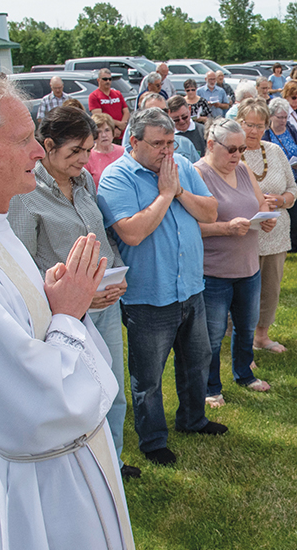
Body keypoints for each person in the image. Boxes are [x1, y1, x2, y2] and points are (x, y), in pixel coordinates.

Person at [0, 73, 134, 548]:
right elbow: (31, 405)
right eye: (23, 139)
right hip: (50, 483)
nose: (39, 151)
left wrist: (46, 300)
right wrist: (69, 315)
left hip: (67, 463)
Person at [7, 106, 136, 480]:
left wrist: (113, 274)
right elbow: (24, 265)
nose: (85, 158)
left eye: (88, 149)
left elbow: (100, 236)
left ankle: (113, 461)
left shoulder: (85, 184)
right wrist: (73, 297)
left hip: (105, 305)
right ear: (47, 146)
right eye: (75, 151)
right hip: (64, 316)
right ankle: (86, 469)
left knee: (111, 386)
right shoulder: (26, 194)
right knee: (77, 394)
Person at [98, 107, 225, 468]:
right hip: (148, 296)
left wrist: (178, 189)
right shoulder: (116, 177)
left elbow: (210, 212)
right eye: (157, 144)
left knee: (198, 360)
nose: (166, 151)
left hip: (190, 287)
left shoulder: (181, 166)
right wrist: (166, 195)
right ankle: (153, 440)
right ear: (133, 141)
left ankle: (193, 419)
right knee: (149, 377)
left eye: (170, 143)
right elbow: (133, 233)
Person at [194, 116, 277, 406]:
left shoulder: (242, 169)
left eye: (241, 149)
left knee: (246, 325)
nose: (237, 155)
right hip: (214, 271)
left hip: (248, 267)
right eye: (231, 149)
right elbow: (188, 228)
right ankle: (210, 387)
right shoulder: (198, 174)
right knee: (212, 334)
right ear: (210, 144)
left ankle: (244, 373)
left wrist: (265, 218)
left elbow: (261, 203)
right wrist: (225, 228)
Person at [232, 100, 297, 356]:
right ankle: (242, 341)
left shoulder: (275, 151)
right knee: (244, 291)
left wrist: (281, 200)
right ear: (239, 122)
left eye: (260, 126)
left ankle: (262, 336)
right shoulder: (232, 154)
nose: (254, 131)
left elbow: (293, 188)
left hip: (277, 233)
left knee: (271, 286)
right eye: (249, 125)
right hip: (245, 235)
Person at [263, 98, 297, 252]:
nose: (283, 120)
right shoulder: (266, 134)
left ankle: (293, 245)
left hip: (294, 177)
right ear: (271, 116)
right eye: (279, 117)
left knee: (296, 214)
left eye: (285, 117)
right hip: (275, 180)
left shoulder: (291, 129)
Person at [84, 113, 125, 188]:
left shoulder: (124, 152)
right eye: (99, 132)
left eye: (107, 130)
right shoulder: (88, 156)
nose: (104, 135)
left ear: (113, 132)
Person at [89, 68, 129, 141]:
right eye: (105, 79)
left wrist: (120, 127)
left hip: (121, 134)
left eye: (110, 79)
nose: (108, 81)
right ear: (98, 80)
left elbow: (126, 111)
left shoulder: (117, 93)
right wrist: (118, 124)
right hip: (106, 136)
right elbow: (99, 117)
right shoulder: (94, 96)